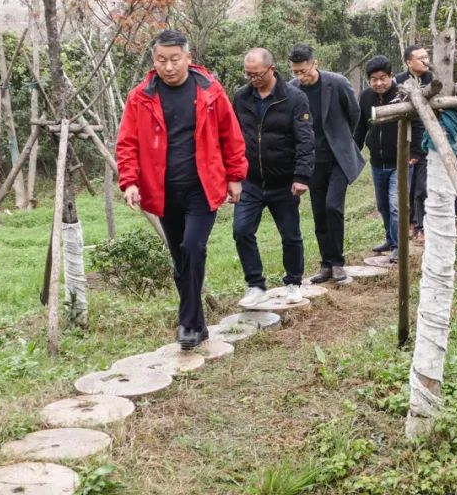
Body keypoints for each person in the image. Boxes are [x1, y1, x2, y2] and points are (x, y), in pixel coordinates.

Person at [116, 29, 246, 351]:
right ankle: (198, 325)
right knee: (181, 260)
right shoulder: (141, 97)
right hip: (163, 191)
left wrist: (235, 176)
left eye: (175, 59)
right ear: (153, 60)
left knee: (192, 248)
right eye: (161, 60)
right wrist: (129, 181)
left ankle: (187, 323)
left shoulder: (210, 91)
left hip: (203, 187)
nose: (168, 66)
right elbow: (127, 143)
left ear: (188, 57)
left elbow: (230, 135)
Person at [231, 48, 314, 308]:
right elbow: (233, 137)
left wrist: (301, 176)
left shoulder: (294, 98)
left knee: (290, 235)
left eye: (257, 74)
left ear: (272, 69)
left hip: (284, 181)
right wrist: (232, 175)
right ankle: (255, 284)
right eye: (248, 74)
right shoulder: (241, 97)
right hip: (250, 181)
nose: (252, 79)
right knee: (241, 231)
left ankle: (293, 282)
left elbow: (305, 139)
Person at [289, 43, 365, 283]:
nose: (300, 76)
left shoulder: (337, 83)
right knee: (319, 212)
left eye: (303, 71)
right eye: (295, 71)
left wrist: (343, 140)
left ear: (315, 64)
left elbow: (354, 114)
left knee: (333, 207)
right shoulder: (292, 89)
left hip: (338, 158)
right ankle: (326, 264)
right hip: (312, 161)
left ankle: (338, 262)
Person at [354, 56, 402, 262]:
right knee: (383, 205)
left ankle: (399, 246)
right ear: (368, 80)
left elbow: (416, 126)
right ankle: (390, 239)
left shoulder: (402, 95)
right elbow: (360, 126)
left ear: (391, 76)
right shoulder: (366, 97)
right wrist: (354, 150)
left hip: (400, 160)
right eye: (374, 79)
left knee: (395, 205)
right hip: (377, 162)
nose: (379, 83)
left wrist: (415, 153)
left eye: (383, 78)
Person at [394, 44, 434, 240]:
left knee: (422, 187)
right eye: (421, 58)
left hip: (429, 140)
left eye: (427, 56)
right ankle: (409, 223)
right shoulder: (399, 81)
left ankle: (422, 226)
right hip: (406, 142)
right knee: (406, 188)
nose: (426, 61)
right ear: (409, 62)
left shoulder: (433, 80)